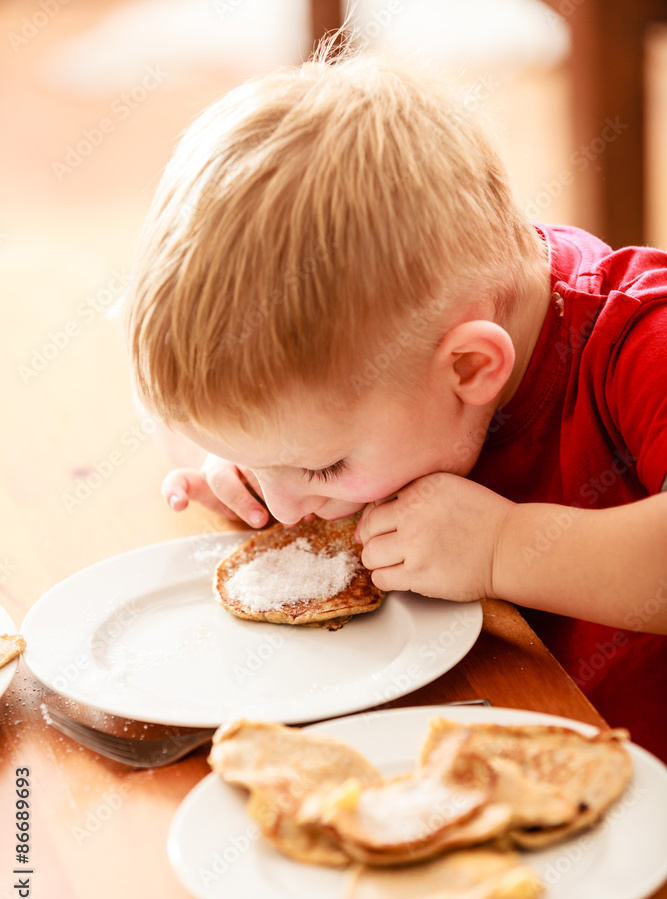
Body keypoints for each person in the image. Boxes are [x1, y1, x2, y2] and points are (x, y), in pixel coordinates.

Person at [125, 42, 667, 760]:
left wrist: (504, 548)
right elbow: (170, 398)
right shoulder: (382, 368)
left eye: (321, 468)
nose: (287, 511)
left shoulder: (636, 341)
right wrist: (236, 456)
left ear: (470, 367)